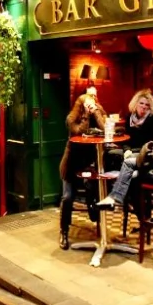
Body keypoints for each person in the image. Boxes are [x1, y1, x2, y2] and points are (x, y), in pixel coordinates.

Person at [57, 93, 108, 250]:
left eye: (92, 103)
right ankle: (64, 231)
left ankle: (94, 213)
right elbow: (79, 131)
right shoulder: (71, 119)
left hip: (88, 164)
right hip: (71, 164)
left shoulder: (96, 115)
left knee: (95, 189)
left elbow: (105, 128)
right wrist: (86, 115)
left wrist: (96, 112)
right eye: (87, 104)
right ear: (81, 106)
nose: (90, 106)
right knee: (68, 197)